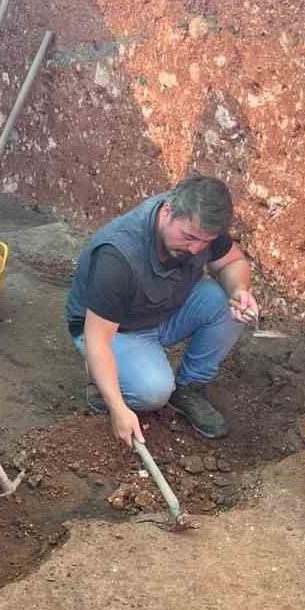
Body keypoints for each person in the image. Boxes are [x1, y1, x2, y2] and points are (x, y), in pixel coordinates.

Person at [65, 175, 258, 445]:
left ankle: (189, 387)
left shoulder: (199, 224)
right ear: (167, 210)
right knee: (152, 392)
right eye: (189, 238)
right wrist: (119, 409)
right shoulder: (118, 256)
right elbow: (98, 341)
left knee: (227, 304)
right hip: (116, 330)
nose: (196, 249)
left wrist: (239, 290)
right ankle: (104, 387)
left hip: (163, 308)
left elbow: (232, 262)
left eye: (205, 242)